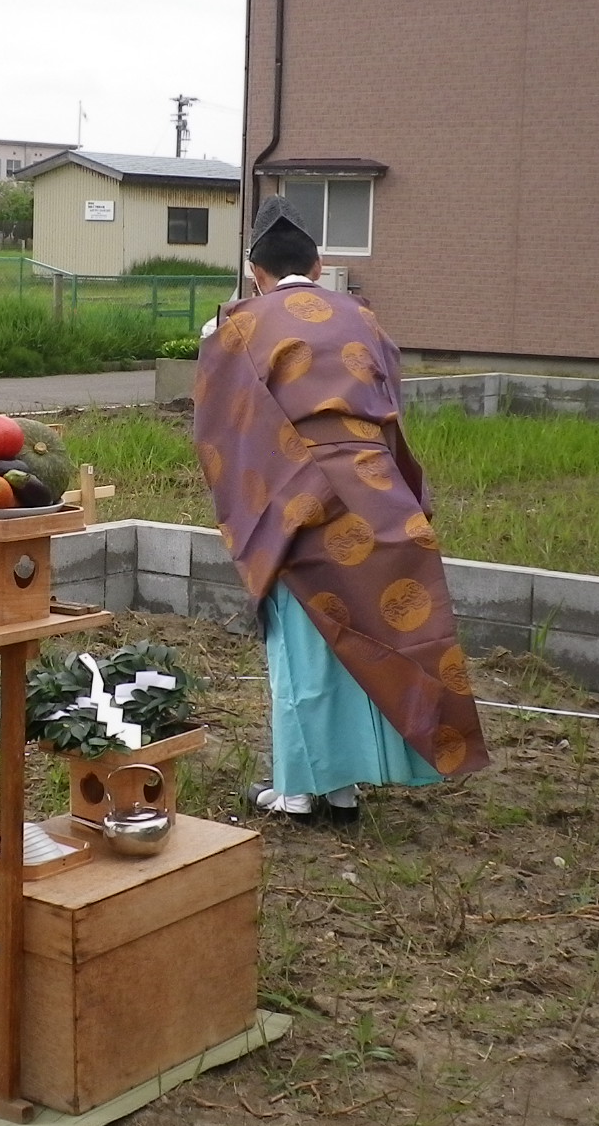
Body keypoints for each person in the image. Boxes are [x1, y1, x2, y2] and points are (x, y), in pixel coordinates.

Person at [192, 196, 486, 820]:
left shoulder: (233, 326)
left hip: (297, 494)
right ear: (320, 266)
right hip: (377, 492)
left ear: (253, 270)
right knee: (367, 637)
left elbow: (224, 426)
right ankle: (346, 786)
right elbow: (390, 405)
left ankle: (298, 790)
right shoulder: (366, 320)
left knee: (300, 648)